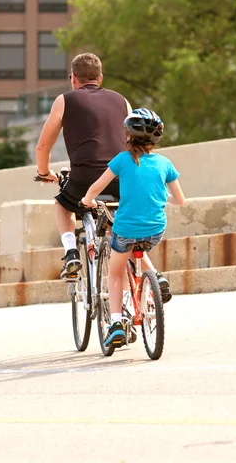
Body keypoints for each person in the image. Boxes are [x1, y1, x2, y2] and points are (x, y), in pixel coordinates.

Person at [81, 108, 185, 348]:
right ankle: (156, 277)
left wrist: (87, 200)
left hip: (126, 229)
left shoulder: (122, 160)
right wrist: (161, 197)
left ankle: (116, 324)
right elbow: (180, 200)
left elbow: (97, 187)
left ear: (127, 135)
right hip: (156, 229)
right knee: (140, 244)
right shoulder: (165, 163)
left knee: (115, 271)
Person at [35, 52, 131, 280]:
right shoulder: (123, 101)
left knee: (63, 203)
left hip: (85, 179)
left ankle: (70, 252)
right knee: (115, 221)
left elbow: (42, 147)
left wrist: (44, 172)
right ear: (101, 77)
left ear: (73, 78)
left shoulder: (65, 100)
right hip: (122, 177)